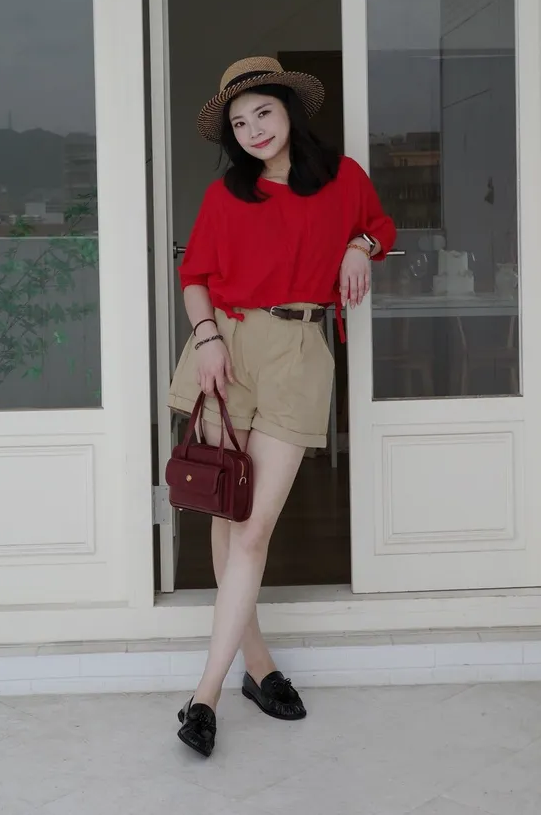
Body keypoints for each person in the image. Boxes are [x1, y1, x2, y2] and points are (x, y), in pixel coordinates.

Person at [167, 56, 396, 758]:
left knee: (254, 527)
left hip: (299, 348)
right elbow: (194, 276)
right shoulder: (226, 195)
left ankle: (204, 691)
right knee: (227, 510)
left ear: (289, 110)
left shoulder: (342, 178)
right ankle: (250, 669)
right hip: (225, 347)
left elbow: (381, 225)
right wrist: (207, 338)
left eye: (262, 113)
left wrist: (358, 244)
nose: (253, 130)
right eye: (239, 123)